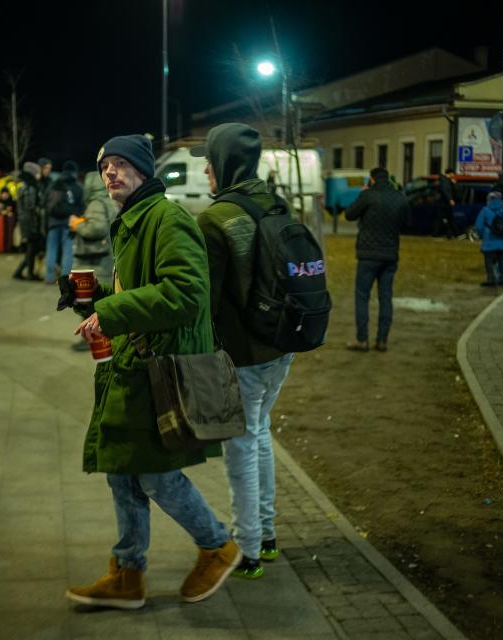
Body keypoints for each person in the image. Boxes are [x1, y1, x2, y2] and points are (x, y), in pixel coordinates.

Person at [65, 134, 240, 610]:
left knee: (157, 477)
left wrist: (114, 311)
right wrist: (95, 295)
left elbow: (186, 294)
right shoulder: (133, 221)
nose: (111, 174)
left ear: (144, 170)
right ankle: (127, 573)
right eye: (104, 168)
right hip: (134, 367)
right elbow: (139, 289)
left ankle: (217, 545)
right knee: (121, 471)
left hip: (160, 369)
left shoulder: (166, 218)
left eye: (121, 165)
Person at [194, 123, 295, 580]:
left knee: (242, 447)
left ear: (224, 163)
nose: (207, 170)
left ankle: (248, 550)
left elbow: (207, 300)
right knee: (259, 435)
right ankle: (267, 536)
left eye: (209, 161)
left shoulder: (216, 219)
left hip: (245, 354)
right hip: (281, 346)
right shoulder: (275, 203)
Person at [345, 167, 409, 352]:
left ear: (372, 179)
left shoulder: (368, 195)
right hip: (390, 255)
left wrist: (362, 194)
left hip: (368, 256)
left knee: (362, 297)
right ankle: (382, 340)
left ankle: (362, 340)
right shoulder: (399, 197)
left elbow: (349, 214)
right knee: (386, 297)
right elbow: (406, 223)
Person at [70, 170, 118, 283]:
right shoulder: (110, 201)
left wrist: (77, 224)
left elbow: (97, 228)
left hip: (95, 264)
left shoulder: (96, 203)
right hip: (106, 261)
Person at [43, 160, 84, 283]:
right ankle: (65, 279)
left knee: (51, 249)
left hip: (53, 223)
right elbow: (82, 206)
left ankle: (49, 277)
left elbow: (45, 202)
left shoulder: (54, 184)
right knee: (68, 251)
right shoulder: (77, 186)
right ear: (74, 172)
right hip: (69, 223)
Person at [12, 161, 44, 281]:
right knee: (32, 248)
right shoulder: (30, 187)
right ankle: (27, 273)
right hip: (31, 223)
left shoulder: (23, 186)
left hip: (25, 222)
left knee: (32, 248)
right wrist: (40, 210)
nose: (39, 175)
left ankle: (22, 272)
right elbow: (31, 207)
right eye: (37, 173)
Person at [474, 191, 503, 286]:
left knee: (489, 261)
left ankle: (491, 279)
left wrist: (482, 235)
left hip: (489, 240)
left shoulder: (485, 210)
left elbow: (478, 226)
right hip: (502, 240)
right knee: (502, 260)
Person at [434, 168, 458, 239]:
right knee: (447, 218)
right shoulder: (444, 181)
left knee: (446, 218)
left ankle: (451, 234)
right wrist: (450, 199)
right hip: (444, 203)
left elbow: (452, 190)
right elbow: (446, 190)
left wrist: (454, 183)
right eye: (453, 174)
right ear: (450, 173)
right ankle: (453, 234)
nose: (453, 175)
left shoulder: (446, 181)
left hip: (444, 203)